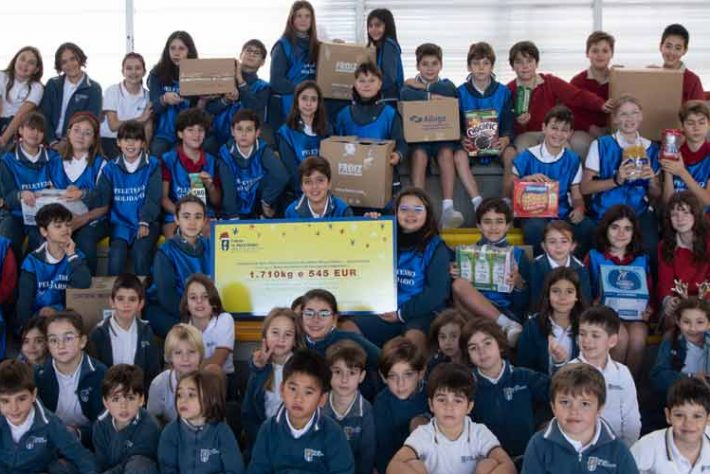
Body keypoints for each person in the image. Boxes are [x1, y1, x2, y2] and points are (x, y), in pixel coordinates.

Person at [344, 188, 450, 350]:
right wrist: (367, 229)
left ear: (427, 214)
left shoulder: (436, 247)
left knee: (412, 342)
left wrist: (401, 313)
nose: (410, 214)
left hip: (420, 313)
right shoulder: (383, 236)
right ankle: (376, 362)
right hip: (385, 311)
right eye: (404, 209)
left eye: (418, 209)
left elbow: (436, 294)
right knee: (347, 330)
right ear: (395, 212)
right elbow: (358, 264)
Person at [506, 40, 612, 176]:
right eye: (519, 62)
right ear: (512, 66)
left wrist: (600, 104)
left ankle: (570, 185)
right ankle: (533, 186)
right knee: (523, 150)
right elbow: (505, 122)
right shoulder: (508, 90)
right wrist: (519, 122)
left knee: (564, 150)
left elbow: (576, 95)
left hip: (552, 131)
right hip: (525, 134)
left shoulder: (549, 82)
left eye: (529, 61)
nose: (525, 66)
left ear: (536, 63)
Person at [387, 363, 516, 474]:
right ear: (431, 405)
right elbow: (393, 466)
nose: (449, 407)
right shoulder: (423, 433)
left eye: (457, 401)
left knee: (489, 464)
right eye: (441, 400)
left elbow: (509, 466)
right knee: (413, 464)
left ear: (469, 407)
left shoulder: (479, 432)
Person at [580, 94, 662, 265]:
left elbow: (656, 194)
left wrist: (652, 179)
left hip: (638, 212)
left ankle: (648, 281)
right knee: (595, 250)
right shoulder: (601, 144)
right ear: (615, 119)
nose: (630, 119)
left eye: (634, 113)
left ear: (641, 116)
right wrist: (616, 180)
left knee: (650, 247)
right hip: (605, 212)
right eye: (623, 114)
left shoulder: (652, 148)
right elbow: (585, 187)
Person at [246, 349, 354, 474]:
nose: (298, 398)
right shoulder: (268, 430)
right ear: (282, 389)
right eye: (293, 389)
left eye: (308, 392)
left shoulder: (333, 433)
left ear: (322, 399)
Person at [521, 364, 639, 473]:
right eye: (565, 402)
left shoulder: (617, 450)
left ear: (599, 408)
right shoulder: (538, 445)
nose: (574, 411)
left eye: (585, 404)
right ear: (553, 407)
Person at [512, 105, 594, 256]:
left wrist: (579, 208)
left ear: (570, 133)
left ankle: (573, 265)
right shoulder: (527, 156)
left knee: (587, 226)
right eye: (554, 128)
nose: (558, 134)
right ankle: (541, 264)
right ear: (544, 128)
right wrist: (526, 180)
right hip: (534, 213)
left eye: (564, 130)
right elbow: (509, 190)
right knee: (535, 226)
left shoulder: (573, 159)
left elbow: (576, 195)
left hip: (562, 213)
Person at [463, 318, 550, 458]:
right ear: (468, 355)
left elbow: (557, 394)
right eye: (473, 348)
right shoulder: (466, 387)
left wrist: (542, 424)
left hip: (529, 456)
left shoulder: (524, 376)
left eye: (487, 343)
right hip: (490, 460)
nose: (481, 351)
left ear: (500, 345)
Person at [585, 204, 653, 378]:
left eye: (627, 229)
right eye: (615, 227)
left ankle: (630, 385)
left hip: (634, 316)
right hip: (604, 315)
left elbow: (649, 292)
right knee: (619, 337)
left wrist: (649, 309)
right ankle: (609, 384)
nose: (621, 233)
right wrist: (593, 304)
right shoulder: (594, 256)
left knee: (638, 338)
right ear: (605, 229)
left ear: (633, 233)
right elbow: (585, 291)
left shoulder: (642, 259)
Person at [450, 198, 528, 344]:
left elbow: (523, 303)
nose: (493, 227)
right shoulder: (465, 252)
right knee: (458, 285)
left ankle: (498, 327)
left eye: (499, 221)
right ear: (479, 226)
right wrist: (453, 274)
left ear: (508, 226)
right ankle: (503, 326)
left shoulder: (518, 255)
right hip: (471, 309)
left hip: (503, 309)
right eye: (487, 222)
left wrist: (518, 282)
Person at [400, 43, 462, 228]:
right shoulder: (407, 88)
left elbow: (450, 95)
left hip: (442, 137)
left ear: (441, 65)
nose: (429, 68)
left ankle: (448, 208)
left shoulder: (447, 85)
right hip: (420, 139)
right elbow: (406, 95)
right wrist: (430, 95)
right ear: (417, 66)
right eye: (425, 64)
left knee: (446, 154)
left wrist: (422, 89)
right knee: (419, 155)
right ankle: (419, 206)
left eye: (434, 63)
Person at [0, 359, 95, 473]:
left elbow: (83, 458)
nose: (14, 408)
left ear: (33, 394)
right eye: (5, 401)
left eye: (21, 399)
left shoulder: (50, 423)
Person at [334, 61, 406, 206]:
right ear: (354, 84)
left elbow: (402, 143)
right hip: (352, 182)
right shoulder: (343, 115)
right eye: (362, 80)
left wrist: (397, 155)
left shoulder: (390, 114)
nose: (367, 85)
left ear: (380, 84)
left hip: (383, 180)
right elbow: (336, 149)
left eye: (372, 80)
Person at [568, 306, 642, 447]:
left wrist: (625, 451)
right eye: (582, 334)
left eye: (595, 335)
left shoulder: (622, 372)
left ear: (612, 341)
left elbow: (631, 420)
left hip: (616, 448)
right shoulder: (569, 371)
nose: (586, 340)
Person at [96, 120, 161, 276]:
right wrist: (83, 194)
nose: (131, 144)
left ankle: (144, 291)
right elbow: (101, 196)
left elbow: (154, 197)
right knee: (116, 256)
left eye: (136, 139)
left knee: (140, 254)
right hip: (120, 224)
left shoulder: (153, 164)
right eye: (126, 139)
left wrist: (144, 221)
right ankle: (113, 291)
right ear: (118, 142)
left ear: (143, 143)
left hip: (147, 222)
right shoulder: (110, 168)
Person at [34, 310, 107, 446]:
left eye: (68, 338)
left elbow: (106, 420)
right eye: (53, 340)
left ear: (82, 341)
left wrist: (79, 433)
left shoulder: (100, 373)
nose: (60, 345)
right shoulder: (38, 375)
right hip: (49, 443)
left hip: (90, 443)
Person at [49, 111, 108, 274]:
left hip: (93, 219)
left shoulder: (101, 164)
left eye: (87, 133)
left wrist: (82, 219)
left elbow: (105, 205)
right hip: (62, 219)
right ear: (68, 133)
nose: (81, 136)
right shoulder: (55, 163)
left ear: (94, 139)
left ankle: (88, 285)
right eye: (76, 130)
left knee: (85, 239)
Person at [454, 41, 514, 202]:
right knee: (458, 156)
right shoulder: (459, 92)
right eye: (476, 63)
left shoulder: (503, 92)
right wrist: (462, 139)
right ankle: (477, 201)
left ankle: (505, 201)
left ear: (492, 66)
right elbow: (454, 124)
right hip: (470, 147)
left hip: (496, 144)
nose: (481, 68)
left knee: (511, 154)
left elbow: (509, 123)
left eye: (485, 63)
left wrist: (505, 139)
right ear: (469, 67)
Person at [16, 204, 91, 328]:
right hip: (38, 318)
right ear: (44, 231)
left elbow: (84, 283)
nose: (65, 229)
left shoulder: (76, 256)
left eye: (68, 225)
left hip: (66, 318)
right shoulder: (32, 261)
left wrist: (71, 255)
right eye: (58, 226)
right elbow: (24, 303)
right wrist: (28, 329)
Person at [145, 195, 210, 337]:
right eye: (186, 216)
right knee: (186, 334)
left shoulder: (211, 247)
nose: (192, 222)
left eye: (198, 217)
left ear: (205, 220)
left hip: (202, 307)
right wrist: (193, 318)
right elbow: (166, 296)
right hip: (170, 310)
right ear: (177, 219)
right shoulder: (166, 252)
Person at [159, 369, 244, 474]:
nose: (183, 401)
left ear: (211, 398)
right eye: (179, 395)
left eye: (191, 395)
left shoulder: (222, 432)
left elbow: (235, 470)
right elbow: (167, 468)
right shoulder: (170, 432)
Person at [0, 111, 59, 259]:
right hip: (15, 214)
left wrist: (53, 192)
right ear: (20, 130)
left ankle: (28, 271)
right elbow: (7, 199)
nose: (35, 133)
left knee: (41, 243)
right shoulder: (7, 160)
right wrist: (20, 194)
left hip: (43, 217)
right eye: (31, 128)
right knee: (6, 240)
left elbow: (60, 188)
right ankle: (12, 273)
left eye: (40, 130)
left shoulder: (53, 157)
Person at [88, 273, 161, 388]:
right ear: (112, 302)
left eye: (132, 299)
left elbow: (153, 373)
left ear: (140, 304)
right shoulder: (98, 333)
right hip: (108, 395)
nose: (126, 304)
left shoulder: (147, 332)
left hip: (138, 394)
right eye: (120, 299)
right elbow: (93, 375)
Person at [241, 308, 299, 450]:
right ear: (265, 336)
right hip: (263, 439)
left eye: (288, 334)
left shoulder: (301, 368)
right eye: (275, 332)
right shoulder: (259, 370)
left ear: (295, 340)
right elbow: (249, 413)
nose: (281, 339)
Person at [372, 336, 429, 473]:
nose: (400, 384)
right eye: (393, 376)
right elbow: (383, 450)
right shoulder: (382, 402)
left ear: (421, 373)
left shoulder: (432, 395)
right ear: (383, 377)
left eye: (408, 374)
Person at [218, 109, 288, 219]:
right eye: (239, 129)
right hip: (235, 207)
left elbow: (282, 176)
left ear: (257, 133)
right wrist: (233, 218)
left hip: (257, 205)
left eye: (249, 130)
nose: (243, 134)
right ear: (232, 131)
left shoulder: (263, 149)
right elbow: (228, 191)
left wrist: (266, 200)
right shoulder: (225, 154)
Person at [160, 107, 220, 236]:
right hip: (175, 215)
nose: (196, 134)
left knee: (213, 236)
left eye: (200, 130)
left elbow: (216, 201)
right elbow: (163, 198)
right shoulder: (168, 160)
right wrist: (183, 215)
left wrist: (210, 186)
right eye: (190, 130)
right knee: (175, 239)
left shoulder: (211, 161)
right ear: (180, 134)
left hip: (204, 215)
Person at [631, 377, 710, 473]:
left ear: (708, 418)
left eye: (697, 416)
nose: (688, 423)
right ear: (668, 415)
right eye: (679, 415)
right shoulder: (646, 447)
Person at [92, 364, 160, 474]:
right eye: (116, 399)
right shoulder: (100, 425)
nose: (123, 406)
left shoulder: (150, 426)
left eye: (130, 398)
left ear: (141, 399)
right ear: (106, 402)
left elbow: (132, 465)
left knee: (139, 465)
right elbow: (101, 463)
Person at [322, 340, 375, 474]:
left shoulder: (366, 411)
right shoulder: (318, 405)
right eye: (337, 372)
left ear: (361, 376)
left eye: (351, 373)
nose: (344, 379)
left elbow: (366, 455)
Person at [518, 267, 584, 375]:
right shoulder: (532, 326)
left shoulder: (585, 326)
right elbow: (524, 370)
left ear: (577, 296)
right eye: (556, 291)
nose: (562, 297)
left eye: (569, 291)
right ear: (548, 294)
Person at [657, 191, 710, 324]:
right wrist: (668, 300)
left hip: (707, 301)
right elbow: (665, 282)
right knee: (671, 319)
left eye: (685, 213)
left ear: (696, 215)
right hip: (681, 303)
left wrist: (700, 305)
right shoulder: (664, 246)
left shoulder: (708, 241)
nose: (680, 219)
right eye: (674, 214)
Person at [208, 39, 270, 149]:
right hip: (217, 136)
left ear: (262, 62)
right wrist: (225, 100)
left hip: (244, 140)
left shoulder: (263, 87)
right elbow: (210, 109)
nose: (251, 54)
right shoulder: (223, 80)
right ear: (241, 55)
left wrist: (240, 79)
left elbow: (254, 107)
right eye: (248, 51)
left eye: (256, 53)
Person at [181, 273, 236, 396]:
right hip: (188, 382)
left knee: (213, 370)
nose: (199, 302)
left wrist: (186, 370)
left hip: (221, 382)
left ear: (213, 301)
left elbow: (217, 361)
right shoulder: (183, 328)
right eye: (193, 297)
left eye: (205, 297)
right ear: (186, 304)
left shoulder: (224, 319)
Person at [40, 42, 102, 149]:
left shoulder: (93, 88)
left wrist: (66, 142)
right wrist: (52, 142)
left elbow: (91, 122)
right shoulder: (52, 84)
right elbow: (44, 115)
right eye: (64, 62)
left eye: (73, 59)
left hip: (77, 145)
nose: (69, 64)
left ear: (80, 59)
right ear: (60, 65)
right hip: (49, 144)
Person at [147, 31, 199, 158]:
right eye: (173, 48)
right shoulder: (156, 74)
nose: (176, 53)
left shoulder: (198, 73)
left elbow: (199, 111)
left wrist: (204, 100)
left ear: (189, 51)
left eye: (181, 49)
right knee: (157, 153)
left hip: (188, 130)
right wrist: (164, 99)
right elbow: (154, 107)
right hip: (163, 132)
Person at [269, 1, 319, 130]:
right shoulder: (282, 46)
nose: (303, 20)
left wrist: (336, 47)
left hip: (314, 106)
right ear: (292, 19)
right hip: (290, 105)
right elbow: (276, 81)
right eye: (299, 16)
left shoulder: (318, 47)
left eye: (307, 16)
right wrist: (303, 91)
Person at [276, 80, 330, 194]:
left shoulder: (327, 129)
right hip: (299, 191)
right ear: (297, 101)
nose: (308, 103)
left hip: (324, 191)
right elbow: (291, 171)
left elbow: (330, 165)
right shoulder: (285, 133)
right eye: (304, 98)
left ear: (319, 103)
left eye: (313, 99)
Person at [651, 297, 710, 395]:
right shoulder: (673, 342)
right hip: (680, 398)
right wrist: (690, 377)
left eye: (700, 322)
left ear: (708, 324)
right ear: (678, 322)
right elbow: (657, 377)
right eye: (686, 322)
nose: (693, 328)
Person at [147, 323, 204, 426]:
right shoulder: (158, 384)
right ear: (169, 357)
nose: (185, 358)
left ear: (200, 355)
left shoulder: (209, 384)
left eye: (191, 352)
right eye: (178, 353)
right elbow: (152, 423)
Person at [528, 220, 593, 308]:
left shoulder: (580, 269)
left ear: (573, 246)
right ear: (544, 246)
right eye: (552, 242)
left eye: (564, 241)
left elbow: (585, 301)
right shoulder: (535, 266)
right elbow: (535, 301)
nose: (558, 246)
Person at [99, 52, 151, 159]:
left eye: (137, 68)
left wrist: (145, 146)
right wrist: (140, 119)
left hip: (134, 141)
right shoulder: (112, 91)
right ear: (123, 72)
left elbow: (148, 125)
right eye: (129, 68)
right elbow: (113, 126)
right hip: (110, 139)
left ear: (144, 72)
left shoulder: (148, 95)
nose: (133, 72)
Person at [661, 100, 710, 206]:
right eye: (690, 123)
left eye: (701, 123)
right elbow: (667, 203)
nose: (696, 128)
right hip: (677, 214)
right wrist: (667, 170)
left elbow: (708, 202)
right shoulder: (674, 152)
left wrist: (682, 172)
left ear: (708, 125)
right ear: (682, 127)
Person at [570, 31, 616, 139]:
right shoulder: (577, 81)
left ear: (612, 54)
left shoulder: (618, 79)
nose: (600, 55)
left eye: (605, 51)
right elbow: (570, 113)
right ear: (587, 53)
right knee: (579, 143)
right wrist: (590, 128)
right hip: (585, 130)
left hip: (613, 129)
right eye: (595, 51)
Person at [0, 46, 44, 150]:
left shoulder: (37, 87)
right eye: (22, 59)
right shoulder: (2, 76)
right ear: (15, 60)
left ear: (36, 69)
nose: (25, 64)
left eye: (31, 63)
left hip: (15, 126)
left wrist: (4, 139)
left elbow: (21, 115)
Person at [284, 156, 352, 218]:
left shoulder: (343, 211)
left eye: (320, 180)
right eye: (308, 182)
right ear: (302, 187)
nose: (314, 186)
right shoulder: (291, 212)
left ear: (329, 184)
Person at [659, 23, 705, 103]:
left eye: (678, 48)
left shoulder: (693, 81)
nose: (672, 52)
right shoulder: (653, 76)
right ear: (660, 46)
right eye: (668, 46)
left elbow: (700, 110)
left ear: (684, 51)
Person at [366, 8, 403, 102]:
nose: (373, 29)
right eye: (370, 26)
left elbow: (389, 78)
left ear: (387, 26)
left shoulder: (388, 45)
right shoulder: (375, 47)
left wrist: (368, 88)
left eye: (378, 25)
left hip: (388, 99)